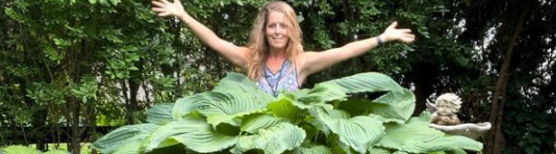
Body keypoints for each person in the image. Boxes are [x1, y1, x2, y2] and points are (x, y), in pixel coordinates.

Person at [151, 0, 415, 96]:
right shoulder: (249, 58)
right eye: (272, 26)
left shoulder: (302, 62)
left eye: (283, 26)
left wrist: (382, 38)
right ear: (264, 30)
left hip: (290, 146)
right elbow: (215, 42)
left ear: (291, 30)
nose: (277, 31)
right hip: (252, 141)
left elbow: (344, 51)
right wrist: (183, 16)